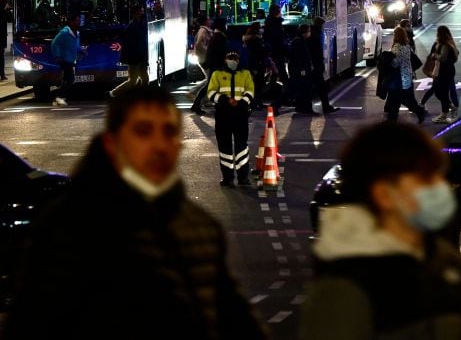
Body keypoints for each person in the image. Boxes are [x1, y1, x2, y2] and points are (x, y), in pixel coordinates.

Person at [3, 86, 269, 340]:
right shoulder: (67, 227)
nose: (159, 145)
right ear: (112, 144)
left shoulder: (200, 227)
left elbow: (237, 324)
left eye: (169, 132)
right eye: (143, 132)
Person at [299, 123, 461, 340]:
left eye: (439, 176)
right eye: (425, 179)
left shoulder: (442, 258)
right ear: (384, 195)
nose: (441, 187)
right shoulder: (344, 291)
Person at [208, 51, 255, 186]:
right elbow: (211, 92)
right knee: (224, 147)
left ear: (238, 61)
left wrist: (241, 103)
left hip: (240, 115)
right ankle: (228, 178)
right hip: (223, 115)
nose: (232, 61)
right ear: (225, 59)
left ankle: (243, 178)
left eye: (235, 58)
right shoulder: (217, 74)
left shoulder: (245, 74)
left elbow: (250, 91)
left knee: (242, 146)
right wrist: (226, 100)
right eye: (230, 58)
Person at [386, 25, 426, 123]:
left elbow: (396, 63)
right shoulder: (406, 46)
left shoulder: (397, 47)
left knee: (398, 100)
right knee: (401, 100)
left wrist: (388, 58)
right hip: (408, 76)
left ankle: (418, 112)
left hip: (399, 78)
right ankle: (393, 119)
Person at [113, 6, 149, 96]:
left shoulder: (140, 24)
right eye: (140, 11)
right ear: (135, 13)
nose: (142, 13)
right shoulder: (132, 26)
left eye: (142, 11)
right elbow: (131, 44)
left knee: (145, 78)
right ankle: (113, 93)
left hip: (141, 57)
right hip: (135, 58)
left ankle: (143, 97)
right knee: (133, 80)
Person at [429, 25, 459, 123]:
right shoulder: (449, 43)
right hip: (445, 70)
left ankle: (444, 115)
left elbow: (443, 58)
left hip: (444, 71)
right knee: (440, 91)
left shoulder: (445, 44)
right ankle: (450, 107)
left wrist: (434, 55)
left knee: (442, 92)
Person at [49, 14, 80, 107]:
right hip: (65, 59)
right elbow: (54, 43)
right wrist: (57, 55)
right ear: (71, 22)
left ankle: (59, 98)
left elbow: (76, 46)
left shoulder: (76, 33)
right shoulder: (64, 32)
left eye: (79, 21)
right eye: (77, 21)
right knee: (70, 79)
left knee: (67, 79)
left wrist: (82, 50)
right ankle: (59, 97)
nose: (78, 23)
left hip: (71, 59)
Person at [307, 17, 337, 114]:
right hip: (316, 66)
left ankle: (324, 107)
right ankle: (324, 107)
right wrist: (319, 64)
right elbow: (315, 52)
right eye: (323, 25)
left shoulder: (315, 34)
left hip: (316, 65)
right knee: (319, 88)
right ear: (320, 25)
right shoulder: (314, 36)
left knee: (318, 88)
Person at [288, 24, 316, 114]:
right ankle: (306, 108)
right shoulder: (298, 41)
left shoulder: (301, 40)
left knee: (300, 89)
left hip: (300, 69)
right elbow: (298, 57)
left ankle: (300, 107)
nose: (309, 33)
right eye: (308, 31)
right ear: (304, 32)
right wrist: (302, 70)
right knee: (305, 89)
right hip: (300, 70)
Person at [0, 0, 9, 80]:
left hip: (2, 37)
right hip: (2, 37)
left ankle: (2, 74)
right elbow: (9, 18)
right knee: (1, 57)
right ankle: (2, 74)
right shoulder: (4, 13)